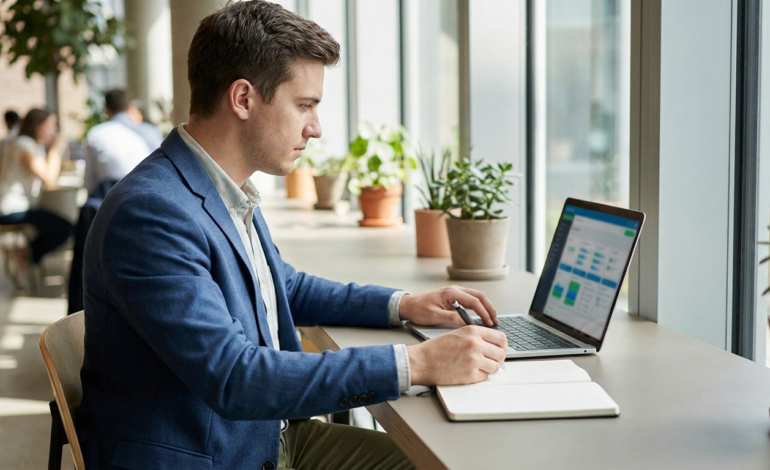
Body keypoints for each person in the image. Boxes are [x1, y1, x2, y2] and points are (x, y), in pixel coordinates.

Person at [76, 2, 508, 470]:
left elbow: (284, 285)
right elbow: (234, 377)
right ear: (243, 98)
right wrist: (415, 363)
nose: (316, 128)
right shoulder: (151, 213)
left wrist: (403, 304)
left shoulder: (224, 186)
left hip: (264, 437)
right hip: (213, 455)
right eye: (305, 105)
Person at [0, 109, 73, 264]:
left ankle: (26, 255)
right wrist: (56, 149)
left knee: (61, 226)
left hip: (21, 207)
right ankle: (25, 256)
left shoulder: (32, 145)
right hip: (11, 209)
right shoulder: (23, 144)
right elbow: (49, 178)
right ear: (39, 126)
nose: (54, 131)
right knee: (65, 228)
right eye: (51, 125)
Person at [84, 89, 163, 193]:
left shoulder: (96, 134)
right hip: (148, 194)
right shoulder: (151, 132)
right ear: (130, 106)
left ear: (106, 110)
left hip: (109, 198)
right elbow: (161, 169)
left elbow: (89, 181)